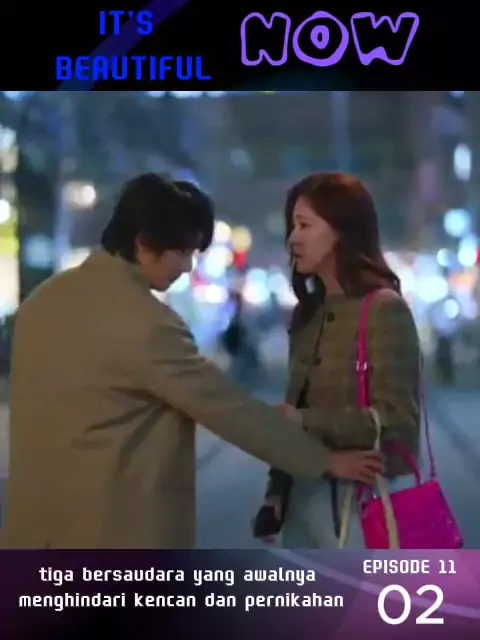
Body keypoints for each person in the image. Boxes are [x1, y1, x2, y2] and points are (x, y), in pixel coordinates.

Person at [2, 173, 383, 549]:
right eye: (183, 252)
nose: (187, 267)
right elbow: (229, 409)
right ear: (144, 243)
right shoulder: (146, 324)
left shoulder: (41, 302)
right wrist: (323, 460)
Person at [253, 172, 421, 548]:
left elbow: (397, 420)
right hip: (303, 503)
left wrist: (304, 421)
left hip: (364, 504)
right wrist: (276, 492)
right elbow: (295, 403)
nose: (292, 238)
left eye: (304, 225)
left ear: (341, 231)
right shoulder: (308, 313)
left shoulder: (383, 309)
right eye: (292, 226)